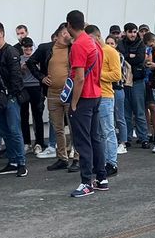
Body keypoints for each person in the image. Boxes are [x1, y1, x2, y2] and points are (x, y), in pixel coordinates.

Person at [65, 10, 106, 197]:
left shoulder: (79, 45)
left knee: (83, 142)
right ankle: (101, 177)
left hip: (84, 98)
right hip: (96, 94)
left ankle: (86, 182)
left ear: (69, 25)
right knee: (95, 138)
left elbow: (79, 78)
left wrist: (73, 103)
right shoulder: (94, 42)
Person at [0, 22, 28, 178]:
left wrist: (12, 95)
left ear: (1, 33)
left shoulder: (10, 51)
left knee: (14, 130)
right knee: (4, 130)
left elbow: (16, 76)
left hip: (10, 97)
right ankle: (12, 161)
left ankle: (21, 163)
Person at [31, 24, 74, 170]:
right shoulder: (46, 48)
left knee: (74, 127)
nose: (72, 37)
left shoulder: (73, 48)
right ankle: (62, 158)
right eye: (70, 34)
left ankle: (77, 157)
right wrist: (41, 77)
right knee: (58, 128)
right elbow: (31, 62)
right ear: (63, 33)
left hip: (69, 93)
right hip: (52, 93)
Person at [118, 23, 150, 148]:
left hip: (137, 81)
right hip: (124, 81)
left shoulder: (141, 43)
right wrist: (130, 56)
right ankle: (127, 138)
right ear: (125, 32)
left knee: (139, 111)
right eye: (130, 32)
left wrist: (129, 57)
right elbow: (120, 58)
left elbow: (139, 59)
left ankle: (143, 138)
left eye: (134, 32)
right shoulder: (121, 43)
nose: (133, 34)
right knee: (126, 112)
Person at [95, 30, 122, 174]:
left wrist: (97, 74)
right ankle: (103, 162)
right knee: (99, 133)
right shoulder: (94, 50)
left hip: (105, 96)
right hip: (94, 96)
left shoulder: (110, 52)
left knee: (108, 130)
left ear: (98, 37)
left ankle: (112, 163)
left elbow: (117, 75)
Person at [18, 37, 46, 154]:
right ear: (22, 47)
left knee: (37, 115)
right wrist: (22, 68)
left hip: (35, 86)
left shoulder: (36, 58)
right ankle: (27, 142)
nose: (28, 49)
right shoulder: (19, 59)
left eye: (30, 47)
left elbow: (41, 71)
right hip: (24, 87)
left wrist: (34, 66)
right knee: (24, 116)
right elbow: (17, 73)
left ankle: (39, 142)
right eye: (26, 47)